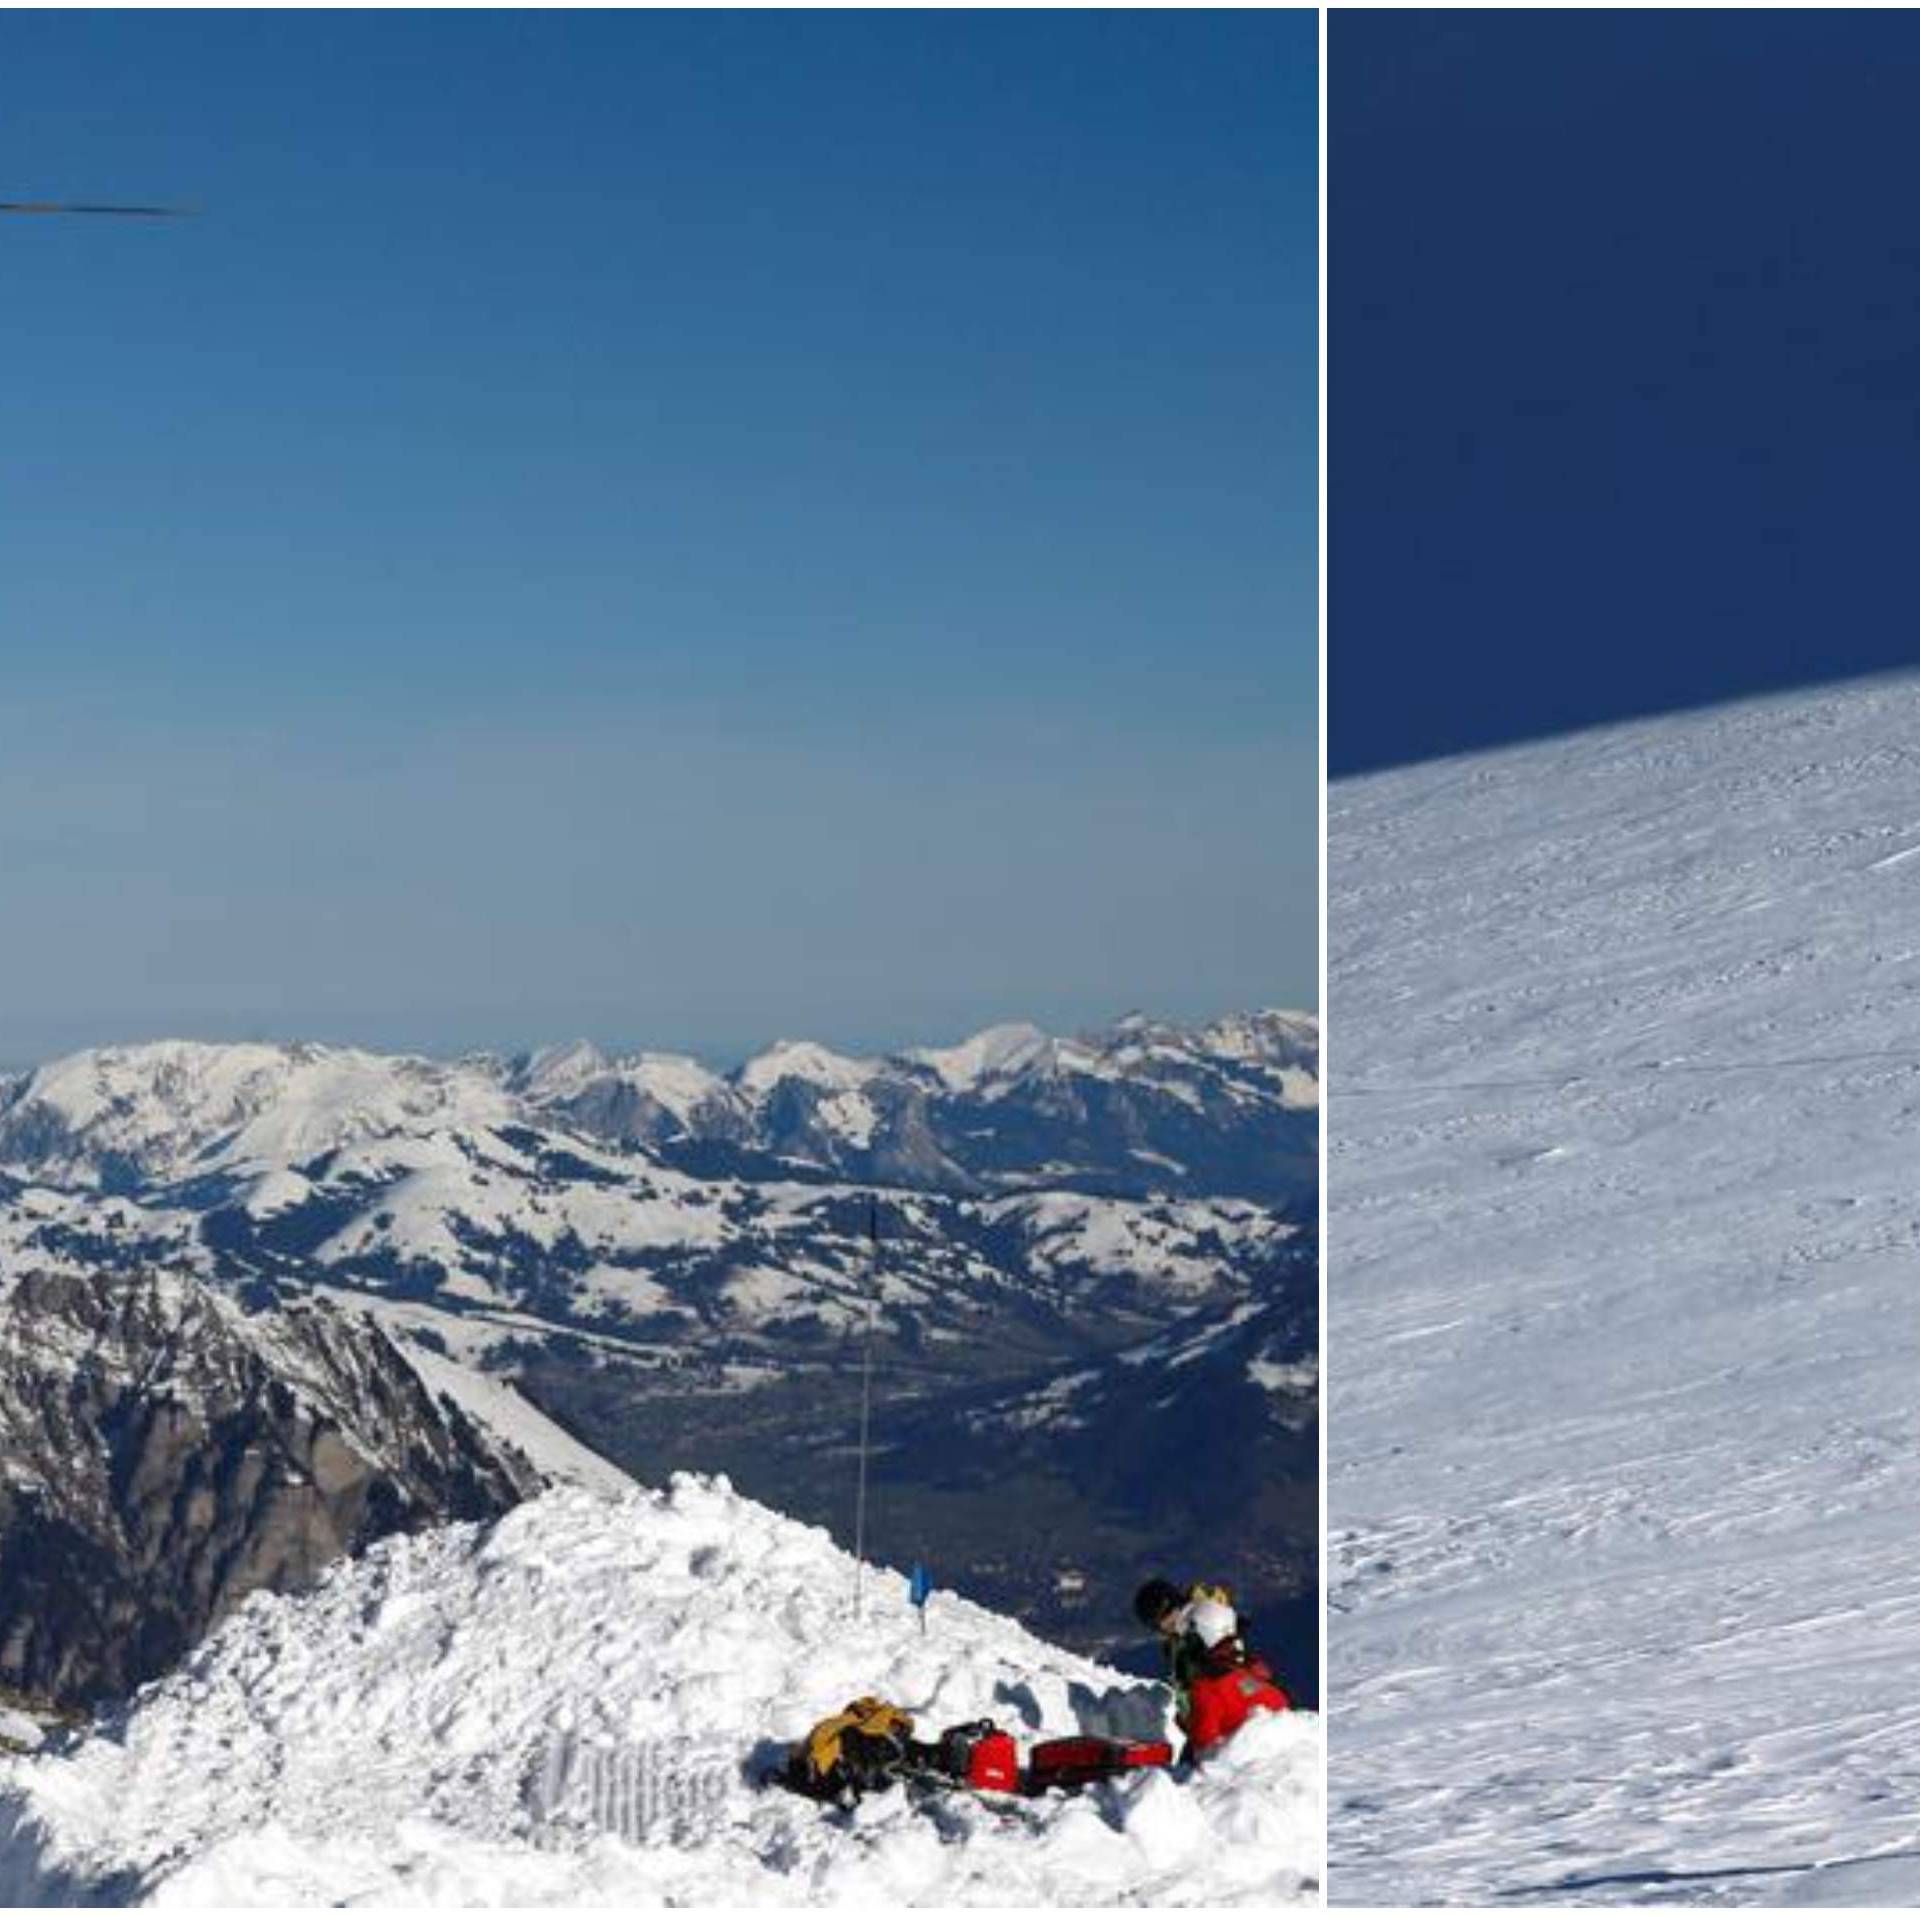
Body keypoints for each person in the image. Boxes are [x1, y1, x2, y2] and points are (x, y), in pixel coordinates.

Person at [1133, 1577, 1291, 1760]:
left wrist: (1190, 1718)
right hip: (1248, 1700)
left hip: (1223, 1719)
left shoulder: (1205, 1684)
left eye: (1156, 1622)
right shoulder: (1206, 1619)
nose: (1161, 1629)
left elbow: (1204, 1741)